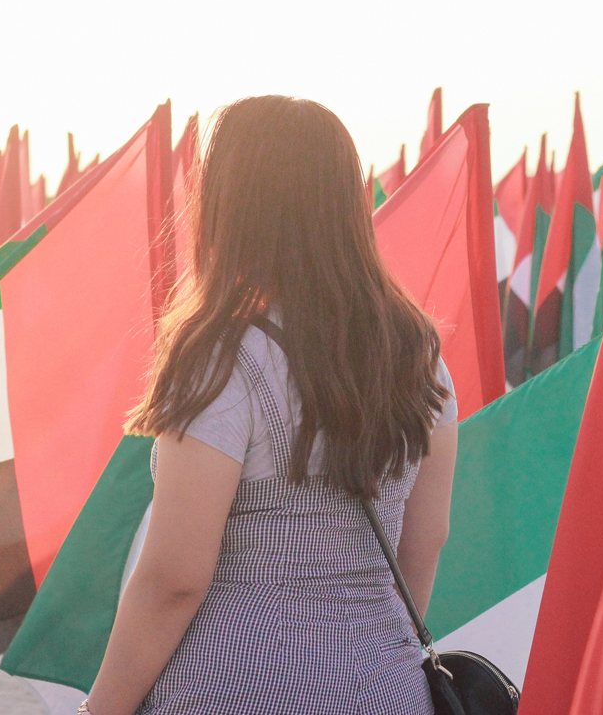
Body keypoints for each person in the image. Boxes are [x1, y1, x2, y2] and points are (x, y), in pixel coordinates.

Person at [82, 96, 459, 715]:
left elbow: (174, 579)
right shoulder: (418, 354)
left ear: (231, 207)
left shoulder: (221, 357)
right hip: (387, 686)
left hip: (235, 684)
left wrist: (101, 710)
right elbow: (429, 536)